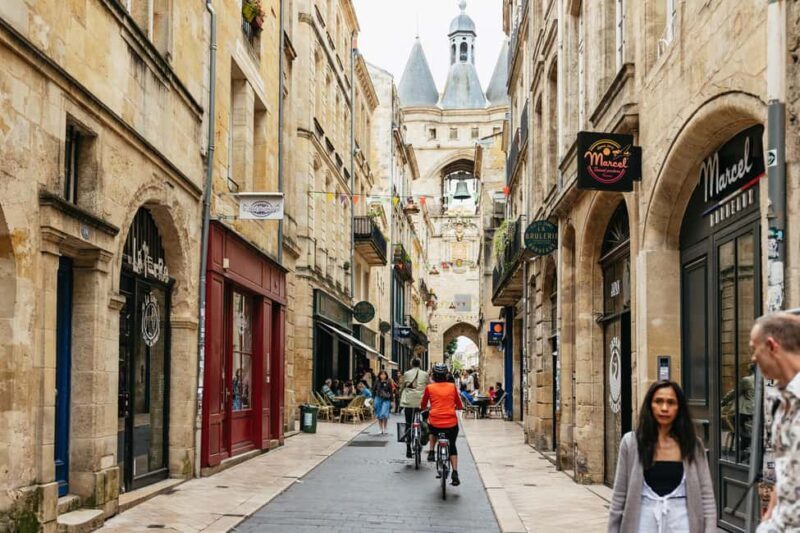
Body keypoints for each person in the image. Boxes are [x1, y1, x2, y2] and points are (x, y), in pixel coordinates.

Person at [608, 380, 716, 533]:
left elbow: (707, 498)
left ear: (679, 408)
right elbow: (619, 497)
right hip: (642, 523)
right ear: (649, 405)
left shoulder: (693, 445)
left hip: (682, 524)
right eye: (658, 401)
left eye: (671, 402)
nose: (664, 408)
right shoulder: (631, 443)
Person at [749, 312, 800, 532]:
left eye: (754, 348)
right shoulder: (779, 402)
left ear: (771, 346)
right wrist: (769, 517)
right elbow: (785, 471)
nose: (752, 358)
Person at [421, 363, 464, 486]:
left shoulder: (430, 388)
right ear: (446, 375)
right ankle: (455, 472)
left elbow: (423, 403)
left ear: (434, 375)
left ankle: (431, 451)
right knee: (452, 445)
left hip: (435, 421)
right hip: (451, 422)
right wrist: (460, 407)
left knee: (432, 429)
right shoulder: (452, 386)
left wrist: (423, 408)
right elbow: (458, 403)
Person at [400, 358, 428, 459]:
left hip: (409, 402)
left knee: (408, 424)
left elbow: (402, 386)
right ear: (420, 364)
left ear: (411, 364)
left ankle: (408, 448)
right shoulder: (425, 374)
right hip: (421, 402)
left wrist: (399, 399)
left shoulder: (406, 373)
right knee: (425, 417)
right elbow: (428, 387)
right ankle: (424, 430)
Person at [372, 370, 394, 435]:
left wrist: (392, 401)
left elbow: (391, 391)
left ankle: (385, 427)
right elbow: (373, 390)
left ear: (386, 375)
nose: (383, 376)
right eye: (381, 374)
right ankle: (380, 428)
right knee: (379, 414)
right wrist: (373, 398)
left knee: (384, 413)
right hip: (378, 398)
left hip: (386, 399)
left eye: (384, 374)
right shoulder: (377, 381)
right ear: (379, 375)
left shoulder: (388, 382)